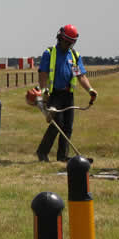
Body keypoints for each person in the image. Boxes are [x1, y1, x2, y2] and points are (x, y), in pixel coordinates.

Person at [35, 24, 97, 162]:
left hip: (68, 95)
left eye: (72, 42)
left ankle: (62, 156)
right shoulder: (50, 53)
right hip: (53, 94)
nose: (69, 44)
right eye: (67, 41)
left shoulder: (74, 56)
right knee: (57, 124)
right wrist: (44, 89)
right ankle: (42, 152)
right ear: (60, 38)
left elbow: (81, 76)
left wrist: (90, 90)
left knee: (68, 126)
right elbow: (43, 73)